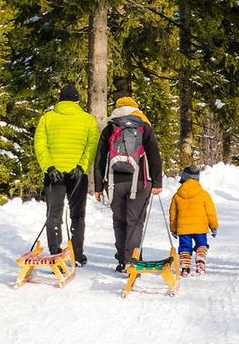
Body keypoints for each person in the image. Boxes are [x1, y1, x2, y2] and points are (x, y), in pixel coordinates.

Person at [93, 96, 163, 273]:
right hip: (140, 181)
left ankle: (123, 261)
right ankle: (133, 260)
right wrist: (157, 181)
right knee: (135, 221)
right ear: (135, 108)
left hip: (114, 183)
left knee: (119, 221)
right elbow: (154, 155)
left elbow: (100, 158)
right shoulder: (144, 126)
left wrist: (98, 186)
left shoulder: (110, 128)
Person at [33, 84, 99, 265]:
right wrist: (82, 166)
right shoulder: (88, 120)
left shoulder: (47, 118)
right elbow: (91, 146)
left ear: (60, 100)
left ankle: (55, 253)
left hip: (54, 175)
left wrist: (49, 167)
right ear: (77, 100)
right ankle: (77, 255)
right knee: (77, 215)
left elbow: (40, 145)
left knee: (53, 214)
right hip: (77, 175)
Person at [169, 167, 218, 276]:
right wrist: (213, 226)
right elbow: (211, 212)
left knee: (185, 247)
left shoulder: (177, 196)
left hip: (183, 229)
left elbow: (173, 215)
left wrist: (173, 229)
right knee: (201, 244)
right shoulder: (204, 194)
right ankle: (200, 263)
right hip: (200, 228)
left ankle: (185, 268)